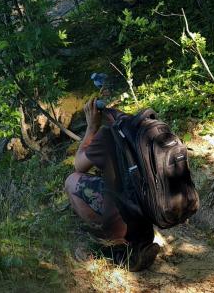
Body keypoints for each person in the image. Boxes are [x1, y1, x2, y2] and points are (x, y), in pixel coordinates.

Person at [65, 99, 161, 271]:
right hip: (151, 211)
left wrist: (91, 127)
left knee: (72, 181)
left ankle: (118, 247)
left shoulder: (108, 135)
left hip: (125, 218)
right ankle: (140, 240)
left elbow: (79, 165)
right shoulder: (143, 129)